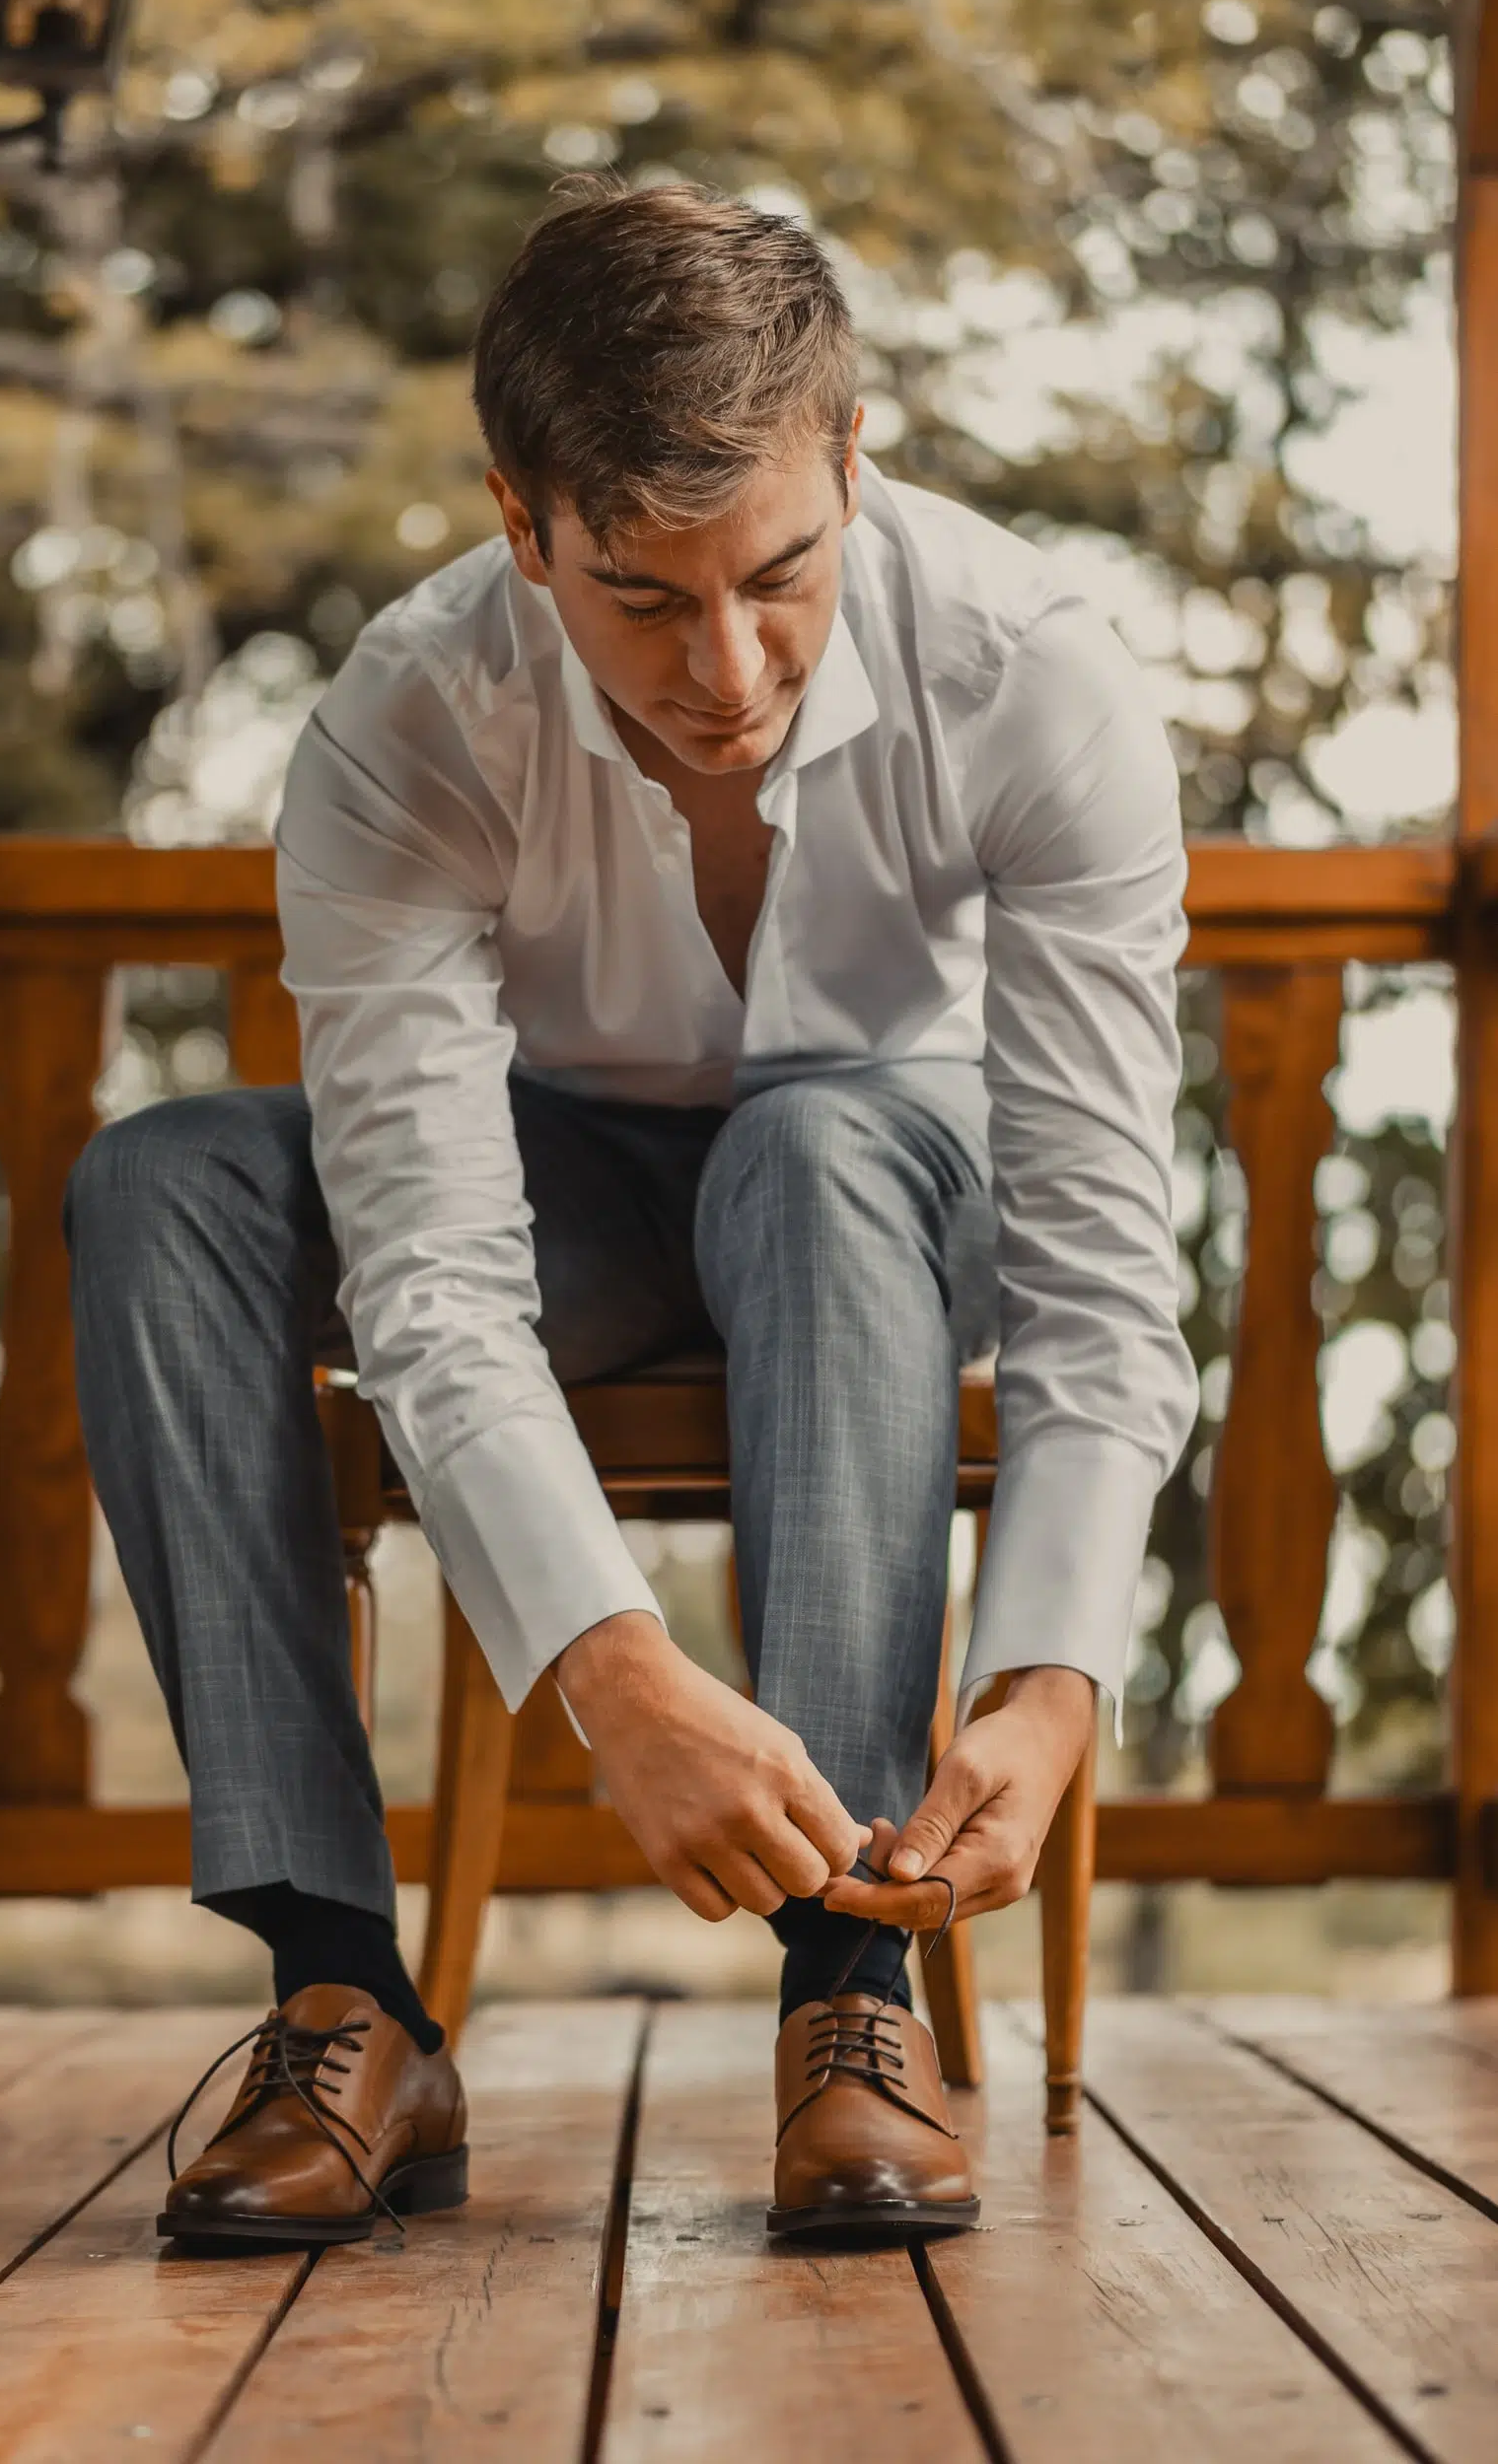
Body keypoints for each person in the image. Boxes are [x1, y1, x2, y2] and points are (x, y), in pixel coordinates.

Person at [65, 179, 1198, 2250]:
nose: (732, 664)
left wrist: (1047, 1676)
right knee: (167, 1182)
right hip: (559, 1182)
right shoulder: (406, 720)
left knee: (819, 1144)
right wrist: (611, 1664)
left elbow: (1103, 1239)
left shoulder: (1035, 671)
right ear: (523, 522)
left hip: (887, 1183)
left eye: (779, 574)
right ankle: (342, 1991)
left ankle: (852, 1997)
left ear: (852, 459)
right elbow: (429, 1257)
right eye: (644, 599)